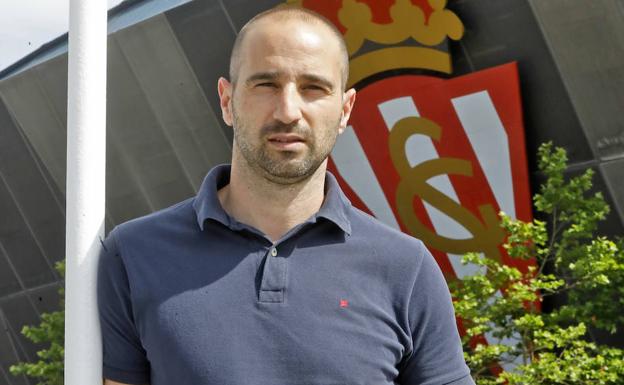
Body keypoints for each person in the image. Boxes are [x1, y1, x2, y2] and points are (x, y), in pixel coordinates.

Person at [97, 6, 474, 385]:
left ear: (345, 110)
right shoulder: (134, 254)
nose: (288, 110)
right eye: (266, 84)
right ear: (227, 101)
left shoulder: (406, 269)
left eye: (313, 88)